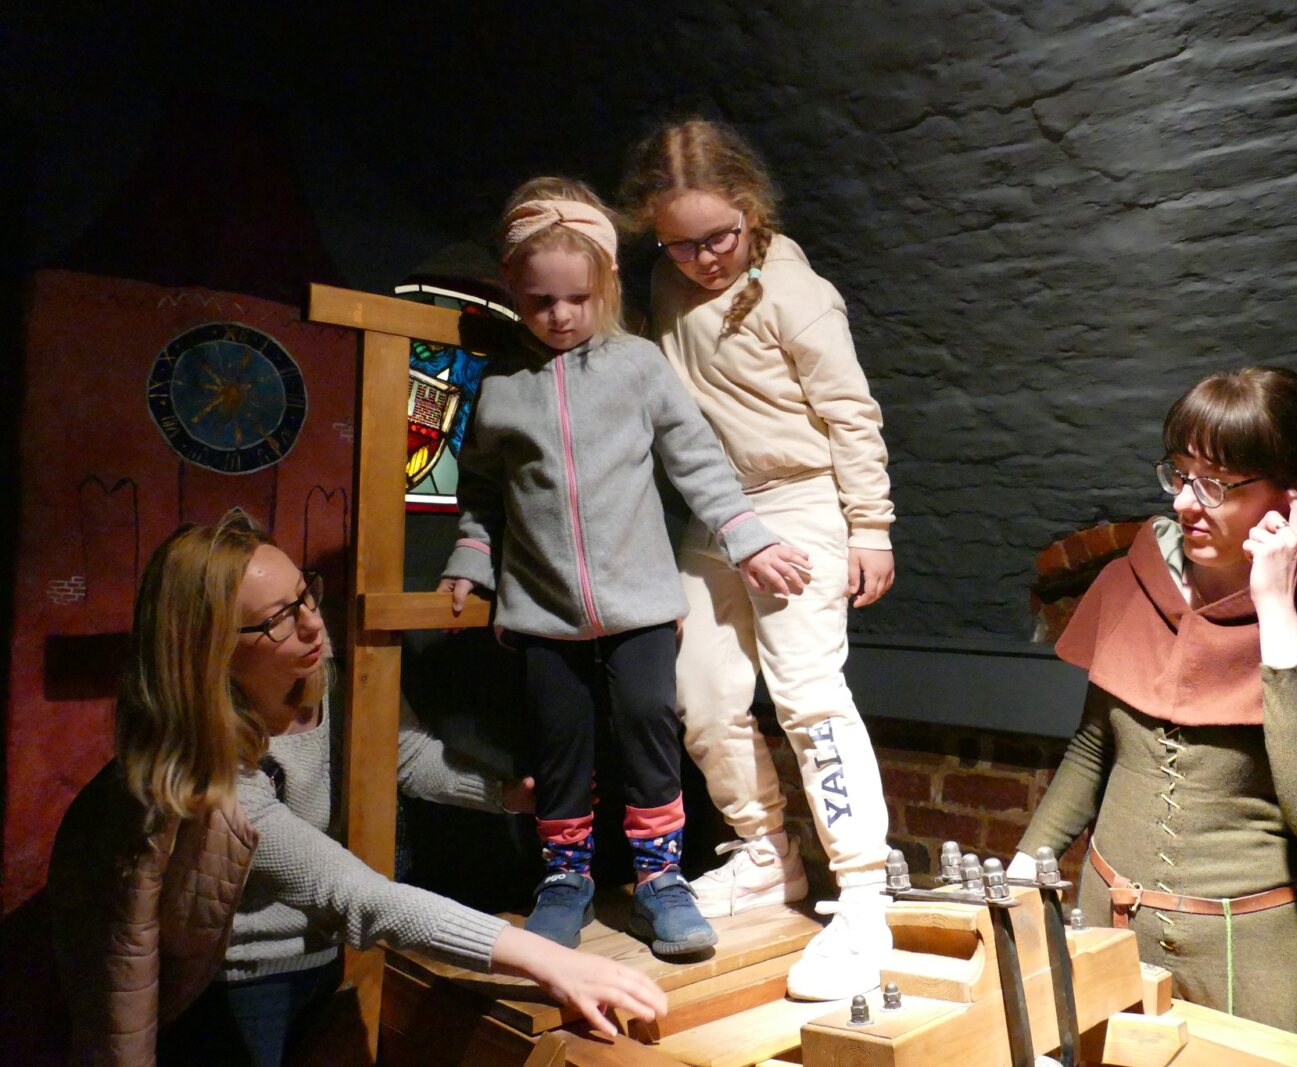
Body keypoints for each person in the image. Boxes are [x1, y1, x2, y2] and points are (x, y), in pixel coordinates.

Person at [49, 510, 666, 1067]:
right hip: (239, 987)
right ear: (212, 650)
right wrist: (548, 959)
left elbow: (407, 756)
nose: (313, 624)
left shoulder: (331, 679)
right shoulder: (206, 771)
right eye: (279, 620)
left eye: (306, 595)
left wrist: (504, 795)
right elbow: (350, 892)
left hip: (326, 962)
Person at [1009, 367, 1297, 1044]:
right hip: (1108, 930)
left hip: (1253, 956)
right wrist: (1024, 868)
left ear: (1295, 494)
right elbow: (1094, 747)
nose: (1186, 503)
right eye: (1178, 475)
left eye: (1217, 484)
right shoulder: (1130, 583)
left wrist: (1277, 616)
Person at [436, 177, 810, 960]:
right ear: (512, 288)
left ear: (605, 284)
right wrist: (471, 558)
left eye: (577, 298)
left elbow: (697, 460)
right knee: (558, 743)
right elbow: (482, 489)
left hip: (639, 605)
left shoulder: (638, 366)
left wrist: (747, 538)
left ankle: (660, 877)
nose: (559, 315)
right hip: (540, 610)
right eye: (539, 300)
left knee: (647, 731)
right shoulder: (500, 384)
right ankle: (563, 878)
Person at [619, 119, 897, 1001]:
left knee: (808, 693)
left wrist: (870, 527)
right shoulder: (662, 282)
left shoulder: (794, 291)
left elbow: (850, 412)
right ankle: (765, 853)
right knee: (697, 692)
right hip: (715, 513)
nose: (704, 258)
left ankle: (864, 894)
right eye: (681, 243)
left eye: (720, 237)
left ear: (751, 209)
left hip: (799, 500)